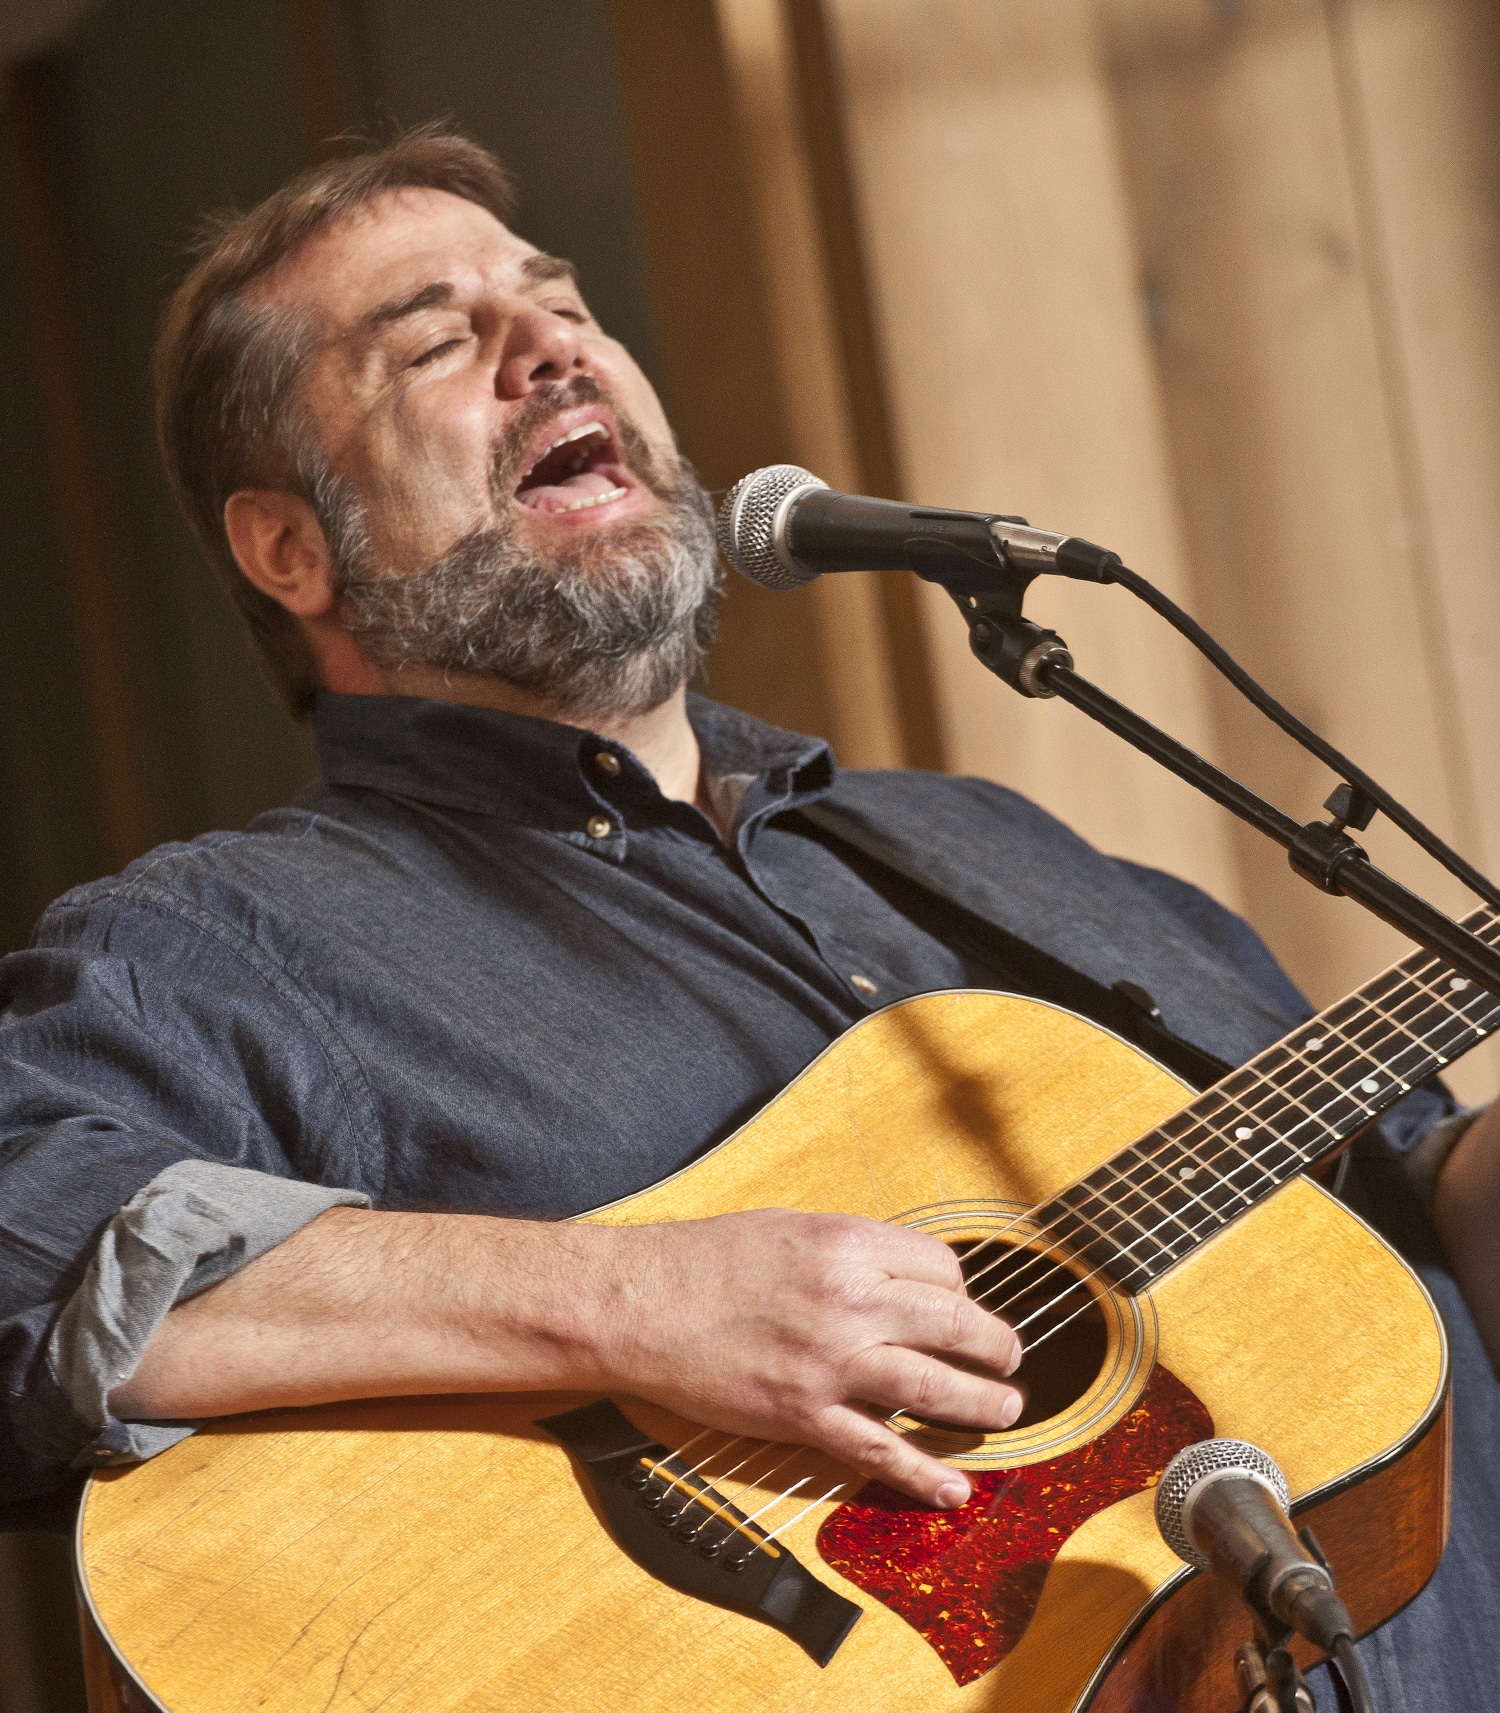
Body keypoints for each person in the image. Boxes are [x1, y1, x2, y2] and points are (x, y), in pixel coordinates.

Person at [1, 126, 1496, 1704]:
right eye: (437, 341)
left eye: (564, 301)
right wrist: (641, 1304)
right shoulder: (227, 945)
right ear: (287, 547)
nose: (549, 346)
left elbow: (1405, 1185)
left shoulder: (987, 845)